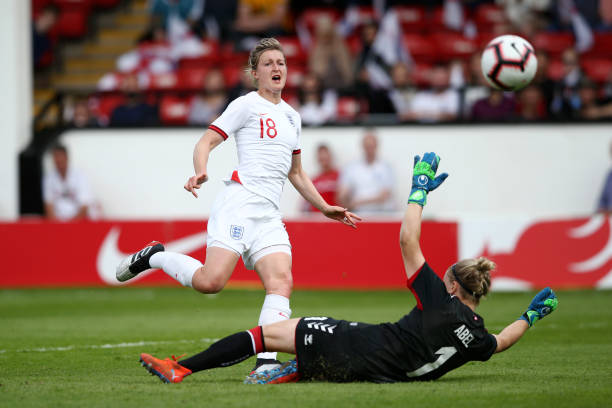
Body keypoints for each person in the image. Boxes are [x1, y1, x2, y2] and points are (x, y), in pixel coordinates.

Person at [137, 152, 559, 384]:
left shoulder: (439, 300)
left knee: (265, 334)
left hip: (365, 348)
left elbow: (407, 240)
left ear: (451, 283)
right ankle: (294, 371)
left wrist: (418, 192)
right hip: (382, 373)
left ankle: (182, 368)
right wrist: (531, 316)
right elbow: (503, 340)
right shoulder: (477, 336)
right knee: (308, 349)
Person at [116, 38, 360, 373]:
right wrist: (201, 170)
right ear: (255, 73)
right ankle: (154, 255)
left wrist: (323, 206)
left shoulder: (292, 117)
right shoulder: (245, 105)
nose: (277, 68)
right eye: (269, 64)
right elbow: (207, 140)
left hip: (269, 215)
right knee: (210, 282)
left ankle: (265, 364)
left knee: (281, 282)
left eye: (281, 63)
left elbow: (296, 172)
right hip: (240, 204)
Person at [338, 130, 395, 213]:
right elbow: (343, 193)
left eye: (371, 146)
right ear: (362, 146)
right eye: (367, 146)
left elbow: (385, 195)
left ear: (376, 146)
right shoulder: (351, 167)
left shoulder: (386, 167)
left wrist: (357, 202)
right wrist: (344, 199)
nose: (369, 149)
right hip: (359, 215)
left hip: (382, 214)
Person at [42, 144, 94, 221]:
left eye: (60, 156)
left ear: (66, 157)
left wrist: (71, 225)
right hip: (57, 222)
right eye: (56, 157)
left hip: (77, 222)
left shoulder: (80, 176)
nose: (58, 160)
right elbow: (48, 205)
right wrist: (57, 225)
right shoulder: (49, 178)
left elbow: (85, 206)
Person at [304, 144, 339, 212]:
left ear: (330, 157)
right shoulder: (314, 180)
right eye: (321, 158)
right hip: (317, 218)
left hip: (336, 217)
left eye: (325, 157)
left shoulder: (340, 176)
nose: (324, 159)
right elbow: (305, 204)